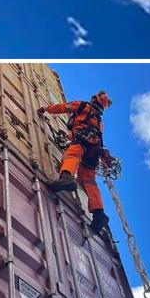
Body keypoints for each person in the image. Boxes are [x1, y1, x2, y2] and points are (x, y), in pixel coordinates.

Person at [38, 90, 113, 234]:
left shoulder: (84, 106)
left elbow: (64, 107)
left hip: (81, 141)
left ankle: (66, 178)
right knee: (88, 180)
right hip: (94, 150)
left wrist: (46, 109)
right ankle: (99, 214)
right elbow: (96, 135)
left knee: (71, 156)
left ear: (94, 99)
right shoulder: (99, 122)